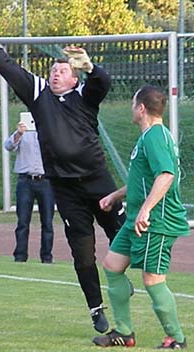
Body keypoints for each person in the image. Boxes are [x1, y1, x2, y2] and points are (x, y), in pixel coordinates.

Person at [0, 15, 127, 334]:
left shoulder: (84, 96)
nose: (55, 75)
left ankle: (126, 283)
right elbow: (9, 68)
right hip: (65, 190)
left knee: (124, 238)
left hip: (98, 184)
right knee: (82, 254)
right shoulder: (39, 95)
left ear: (73, 78)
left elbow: (101, 83)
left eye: (63, 70)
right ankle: (96, 309)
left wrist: (90, 67)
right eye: (53, 70)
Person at [93, 86, 189, 349]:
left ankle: (176, 338)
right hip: (137, 218)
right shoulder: (148, 137)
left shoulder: (155, 136)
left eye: (133, 103)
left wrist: (146, 209)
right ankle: (124, 332)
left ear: (141, 108)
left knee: (152, 279)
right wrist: (115, 196)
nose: (131, 108)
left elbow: (166, 175)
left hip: (156, 221)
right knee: (112, 266)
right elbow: (142, 180)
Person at [4, 121, 55, 263]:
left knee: (47, 222)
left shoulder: (50, 130)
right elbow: (9, 146)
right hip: (25, 180)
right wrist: (19, 133)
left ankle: (47, 257)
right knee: (23, 221)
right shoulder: (23, 132)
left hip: (46, 181)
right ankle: (20, 256)